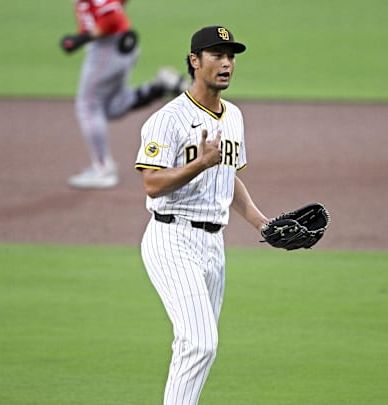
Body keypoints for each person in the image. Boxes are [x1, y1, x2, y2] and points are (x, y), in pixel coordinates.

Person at [134, 26, 270, 405]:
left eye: (231, 56)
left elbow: (229, 180)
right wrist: (201, 163)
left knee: (193, 347)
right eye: (216, 55)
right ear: (195, 61)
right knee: (200, 343)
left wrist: (262, 223)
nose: (226, 63)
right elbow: (152, 183)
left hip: (214, 245)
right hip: (171, 238)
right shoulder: (169, 119)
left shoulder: (234, 117)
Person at [60, 0, 189, 189]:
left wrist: (82, 38)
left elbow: (112, 15)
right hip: (119, 44)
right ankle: (158, 87)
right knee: (111, 107)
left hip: (107, 47)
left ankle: (103, 169)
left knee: (88, 106)